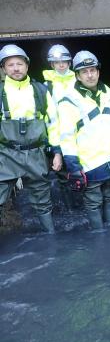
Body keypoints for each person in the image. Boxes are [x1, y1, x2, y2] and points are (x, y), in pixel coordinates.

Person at [58, 51, 110, 229]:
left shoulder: (107, 92)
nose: (90, 75)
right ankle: (99, 238)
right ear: (77, 75)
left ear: (98, 72)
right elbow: (66, 136)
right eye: (84, 71)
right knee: (93, 202)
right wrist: (74, 167)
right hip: (89, 165)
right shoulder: (68, 100)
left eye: (93, 70)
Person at [0, 44, 62, 233]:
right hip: (6, 154)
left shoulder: (41, 91)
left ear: (27, 65)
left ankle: (51, 239)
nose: (16, 68)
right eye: (10, 65)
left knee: (43, 200)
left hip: (36, 153)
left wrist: (57, 152)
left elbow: (53, 123)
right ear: (3, 69)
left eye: (19, 63)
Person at [42, 44, 78, 210]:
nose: (61, 64)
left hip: (82, 137)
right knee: (64, 178)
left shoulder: (80, 78)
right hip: (60, 138)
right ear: (52, 65)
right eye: (57, 62)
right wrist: (56, 148)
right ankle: (72, 213)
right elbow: (50, 119)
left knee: (87, 175)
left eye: (64, 60)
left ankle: (89, 210)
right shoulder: (46, 86)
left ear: (70, 62)